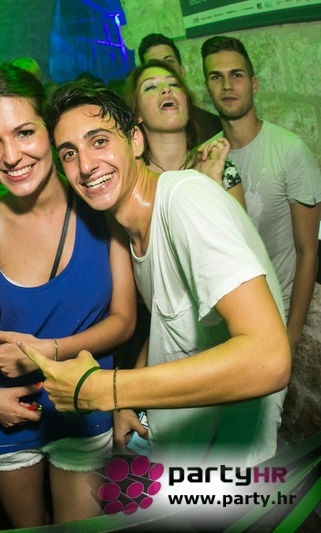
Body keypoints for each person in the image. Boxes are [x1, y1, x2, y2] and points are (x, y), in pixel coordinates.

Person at [19, 81, 289, 468]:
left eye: (99, 141)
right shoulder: (129, 229)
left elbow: (270, 357)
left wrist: (109, 389)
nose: (86, 165)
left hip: (231, 452)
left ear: (135, 140)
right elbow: (171, 319)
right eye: (69, 153)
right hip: (185, 439)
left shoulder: (184, 200)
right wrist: (129, 400)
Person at [0, 65, 136, 526]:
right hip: (7, 412)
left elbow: (124, 321)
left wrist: (47, 351)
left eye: (24, 132)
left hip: (83, 403)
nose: (10, 156)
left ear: (51, 132)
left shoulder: (101, 209)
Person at [201, 36, 321, 354]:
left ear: (253, 84)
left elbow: (307, 252)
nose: (227, 85)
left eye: (236, 75)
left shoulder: (290, 151)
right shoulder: (206, 158)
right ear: (207, 87)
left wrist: (291, 336)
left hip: (277, 318)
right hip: (228, 328)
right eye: (216, 77)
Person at [125, 59, 245, 207]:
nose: (166, 89)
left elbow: (238, 223)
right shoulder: (131, 179)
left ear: (187, 106)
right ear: (138, 114)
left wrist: (214, 186)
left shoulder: (218, 166)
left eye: (173, 84)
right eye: (151, 87)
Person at [138, 33, 222, 143]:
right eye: (155, 64)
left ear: (182, 71)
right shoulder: (138, 138)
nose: (164, 69)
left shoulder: (214, 126)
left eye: (169, 62)